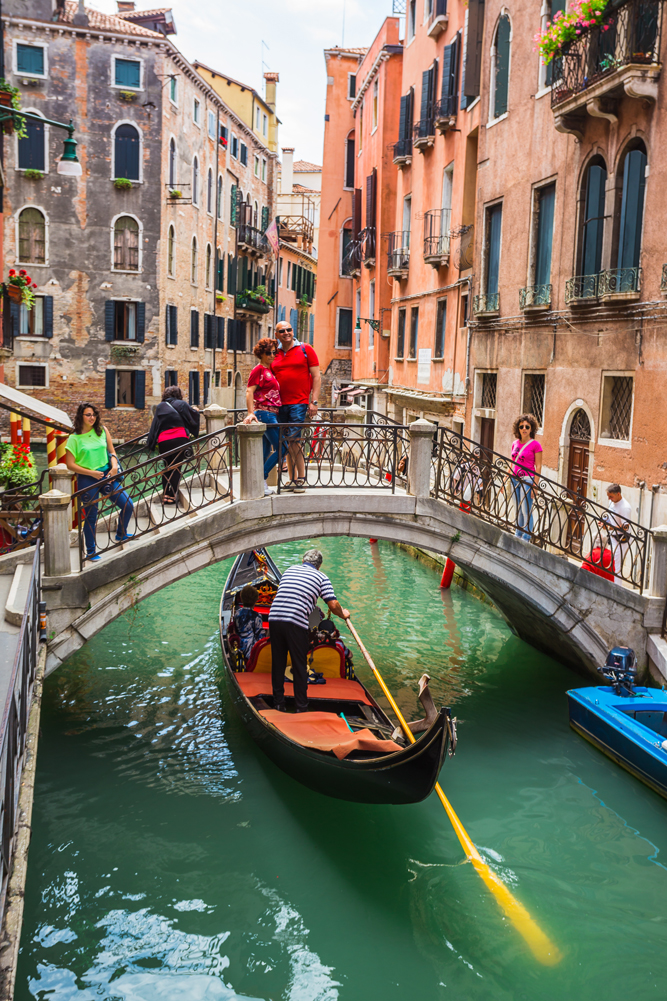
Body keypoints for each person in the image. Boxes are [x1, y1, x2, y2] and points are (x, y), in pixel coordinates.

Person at [269, 548, 350, 713]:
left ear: (303, 561)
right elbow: (333, 605)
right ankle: (301, 707)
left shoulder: (290, 570)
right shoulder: (321, 577)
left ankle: (278, 704)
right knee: (299, 665)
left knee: (278, 663)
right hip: (295, 622)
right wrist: (343, 614)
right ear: (319, 566)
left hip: (274, 618)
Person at [65, 402, 134, 562]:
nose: (92, 418)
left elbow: (112, 451)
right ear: (80, 416)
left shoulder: (102, 431)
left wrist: (115, 466)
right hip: (87, 479)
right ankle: (90, 552)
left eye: (94, 415)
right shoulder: (74, 438)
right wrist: (91, 473)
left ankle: (121, 533)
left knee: (127, 504)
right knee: (90, 517)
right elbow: (70, 464)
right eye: (88, 415)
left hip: (107, 475)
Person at [271, 320, 321, 494]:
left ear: (293, 331)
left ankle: (301, 479)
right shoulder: (274, 354)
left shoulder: (306, 349)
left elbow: (316, 377)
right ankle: (292, 480)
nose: (286, 332)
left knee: (294, 439)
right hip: (279, 405)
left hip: (298, 403)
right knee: (286, 441)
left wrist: (313, 402)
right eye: (282, 331)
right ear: (276, 334)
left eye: (289, 329)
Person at [147, 386, 200, 504]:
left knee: (167, 467)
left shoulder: (160, 406)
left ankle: (165, 495)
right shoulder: (182, 404)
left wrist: (151, 442)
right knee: (176, 467)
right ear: (178, 395)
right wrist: (195, 410)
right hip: (179, 439)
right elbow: (192, 417)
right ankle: (172, 495)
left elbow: (155, 425)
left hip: (163, 441)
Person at [243, 338, 281, 497]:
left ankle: (261, 485)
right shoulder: (258, 370)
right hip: (265, 414)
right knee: (282, 447)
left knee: (265, 452)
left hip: (271, 413)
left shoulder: (269, 370)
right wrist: (250, 412)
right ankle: (261, 477)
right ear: (261, 353)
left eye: (274, 352)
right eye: (268, 353)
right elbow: (249, 391)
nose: (272, 355)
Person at [510, 413, 543, 542]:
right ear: (518, 428)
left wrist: (535, 485)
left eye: (527, 427)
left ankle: (526, 536)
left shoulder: (535, 445)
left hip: (528, 479)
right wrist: (504, 481)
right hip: (514, 478)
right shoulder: (515, 444)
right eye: (521, 426)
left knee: (525, 509)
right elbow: (512, 462)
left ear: (531, 429)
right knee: (517, 508)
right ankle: (518, 532)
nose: (524, 429)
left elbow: (538, 466)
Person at [600, 483, 632, 579]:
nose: (609, 498)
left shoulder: (625, 507)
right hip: (613, 536)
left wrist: (610, 527)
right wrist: (605, 522)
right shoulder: (612, 502)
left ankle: (617, 588)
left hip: (621, 539)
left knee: (616, 566)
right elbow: (611, 516)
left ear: (618, 494)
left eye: (611, 496)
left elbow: (626, 526)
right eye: (608, 496)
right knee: (612, 563)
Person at [234, 584, 265, 660]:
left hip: (239, 647)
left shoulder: (237, 614)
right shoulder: (257, 616)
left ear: (241, 599)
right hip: (251, 651)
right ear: (256, 600)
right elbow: (261, 638)